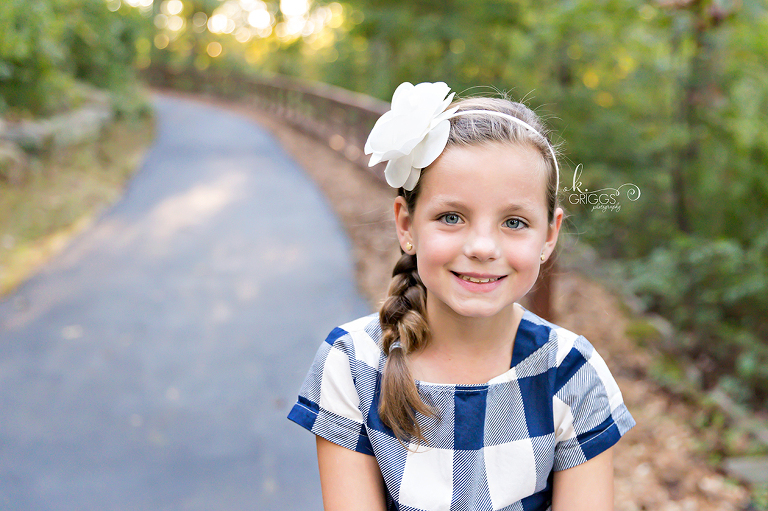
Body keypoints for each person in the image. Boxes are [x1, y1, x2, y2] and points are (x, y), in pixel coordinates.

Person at [287, 81, 636, 511]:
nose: (483, 247)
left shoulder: (570, 373)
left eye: (514, 222)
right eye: (451, 217)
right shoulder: (353, 366)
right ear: (406, 225)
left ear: (549, 236)